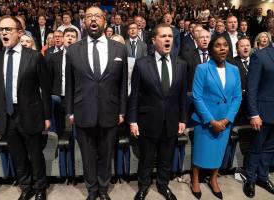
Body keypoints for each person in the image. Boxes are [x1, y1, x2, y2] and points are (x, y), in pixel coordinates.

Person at [65, 6, 127, 200]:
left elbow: (123, 83)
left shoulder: (119, 49)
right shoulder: (74, 49)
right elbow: (69, 84)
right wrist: (70, 112)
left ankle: (103, 189)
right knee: (88, 156)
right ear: (83, 22)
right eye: (89, 16)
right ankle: (92, 190)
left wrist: (122, 111)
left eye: (97, 16)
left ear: (105, 22)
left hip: (110, 110)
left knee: (106, 154)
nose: (93, 19)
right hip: (83, 111)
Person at [0, 16, 51, 200]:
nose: (4, 33)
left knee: (35, 154)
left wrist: (46, 116)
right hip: (8, 116)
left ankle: (40, 188)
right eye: (1, 29)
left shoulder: (34, 57)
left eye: (8, 29)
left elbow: (46, 89)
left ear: (19, 32)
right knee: (18, 156)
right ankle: (26, 188)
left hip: (30, 114)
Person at [129, 23, 187, 200]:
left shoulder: (181, 64)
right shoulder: (141, 64)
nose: (168, 39)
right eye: (163, 36)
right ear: (154, 40)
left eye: (170, 36)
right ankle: (143, 186)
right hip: (147, 120)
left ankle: (163, 185)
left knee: (165, 158)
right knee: (146, 158)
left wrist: (183, 119)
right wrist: (133, 121)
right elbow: (135, 96)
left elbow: (182, 95)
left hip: (171, 120)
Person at [191, 34, 242, 199]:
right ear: (211, 50)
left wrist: (226, 120)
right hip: (206, 121)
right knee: (200, 153)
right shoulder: (202, 69)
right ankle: (196, 179)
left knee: (218, 153)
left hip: (225, 121)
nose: (222, 48)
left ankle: (213, 179)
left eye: (225, 45)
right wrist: (212, 121)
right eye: (218, 45)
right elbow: (197, 97)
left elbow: (237, 97)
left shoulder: (234, 70)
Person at [243, 36, 274, 198]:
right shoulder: (260, 55)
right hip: (262, 113)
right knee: (256, 148)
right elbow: (251, 88)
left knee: (270, 148)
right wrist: (253, 113)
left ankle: (263, 177)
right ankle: (250, 179)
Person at [48, 27, 78, 137]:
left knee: (76, 131)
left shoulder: (81, 57)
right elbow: (49, 79)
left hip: (76, 97)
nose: (70, 38)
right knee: (59, 129)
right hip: (58, 97)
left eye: (73, 36)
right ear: (63, 38)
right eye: (67, 36)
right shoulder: (54, 57)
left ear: (76, 40)